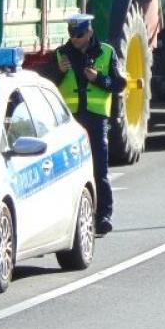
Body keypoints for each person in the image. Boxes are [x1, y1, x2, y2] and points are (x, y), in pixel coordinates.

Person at [54, 13, 126, 236]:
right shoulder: (61, 54)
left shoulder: (106, 52)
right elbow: (46, 83)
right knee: (68, 172)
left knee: (99, 170)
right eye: (71, 34)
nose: (74, 39)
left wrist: (99, 79)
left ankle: (103, 216)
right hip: (70, 120)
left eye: (79, 34)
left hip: (95, 119)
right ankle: (71, 220)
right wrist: (59, 71)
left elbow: (119, 83)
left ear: (90, 32)